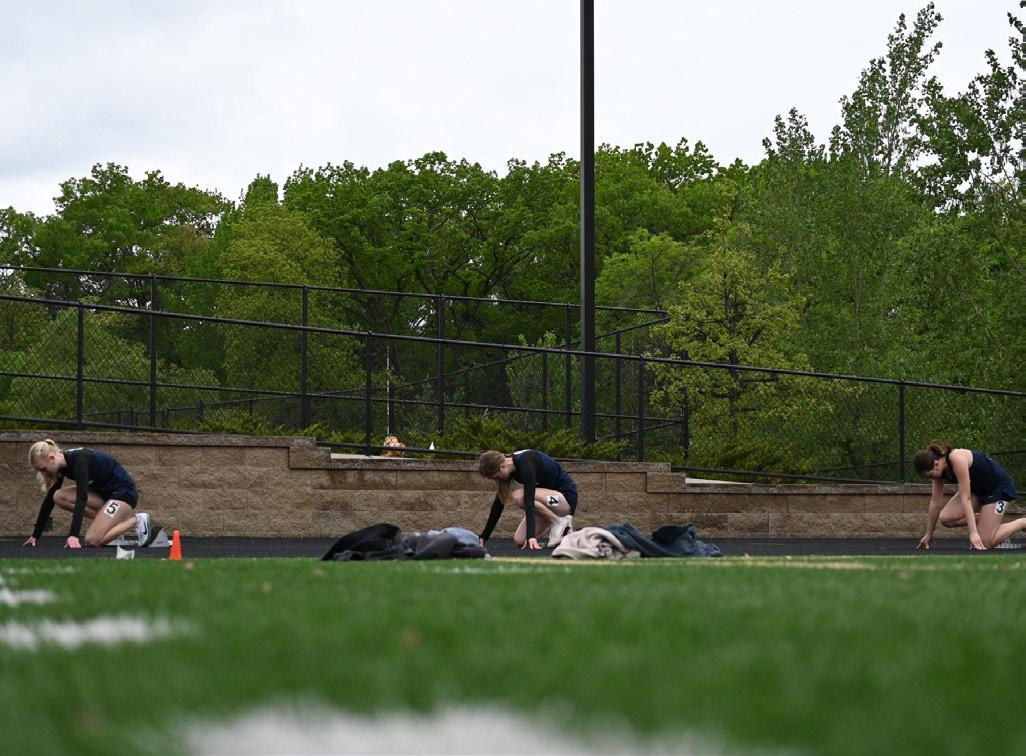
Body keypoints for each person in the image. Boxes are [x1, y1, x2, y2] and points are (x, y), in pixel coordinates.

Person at [23, 439, 153, 549]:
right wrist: (35, 535)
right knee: (58, 496)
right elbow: (49, 500)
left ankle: (137, 519)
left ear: (51, 458)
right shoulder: (61, 465)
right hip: (103, 495)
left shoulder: (80, 459)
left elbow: (82, 496)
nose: (44, 473)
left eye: (43, 469)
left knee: (92, 540)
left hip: (122, 493)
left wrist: (73, 535)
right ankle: (110, 526)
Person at [912, 443, 1026, 550]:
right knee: (946, 518)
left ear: (936, 464)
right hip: (978, 489)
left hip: (997, 488)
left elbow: (966, 499)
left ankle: (1022, 522)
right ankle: (987, 522)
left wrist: (973, 533)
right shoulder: (938, 471)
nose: (931, 478)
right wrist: (929, 534)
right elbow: (935, 502)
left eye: (930, 475)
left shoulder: (957, 459)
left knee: (985, 542)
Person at [477, 449, 578, 550]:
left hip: (564, 499)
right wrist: (484, 537)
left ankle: (558, 521)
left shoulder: (526, 461)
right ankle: (565, 532)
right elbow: (498, 505)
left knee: (519, 496)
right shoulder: (510, 467)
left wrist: (531, 537)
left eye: (496, 477)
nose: (496, 480)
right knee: (520, 541)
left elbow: (529, 500)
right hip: (549, 504)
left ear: (502, 466)